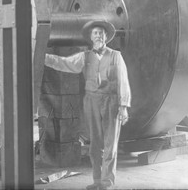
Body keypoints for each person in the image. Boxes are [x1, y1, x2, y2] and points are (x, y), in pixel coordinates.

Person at [45, 20, 131, 190]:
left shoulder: (116, 56)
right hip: (91, 101)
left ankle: (107, 183)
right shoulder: (84, 56)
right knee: (95, 146)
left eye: (101, 33)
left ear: (106, 36)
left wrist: (123, 106)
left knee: (110, 145)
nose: (98, 35)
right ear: (91, 38)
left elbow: (124, 81)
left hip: (111, 102)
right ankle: (97, 181)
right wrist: (43, 57)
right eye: (95, 33)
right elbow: (64, 63)